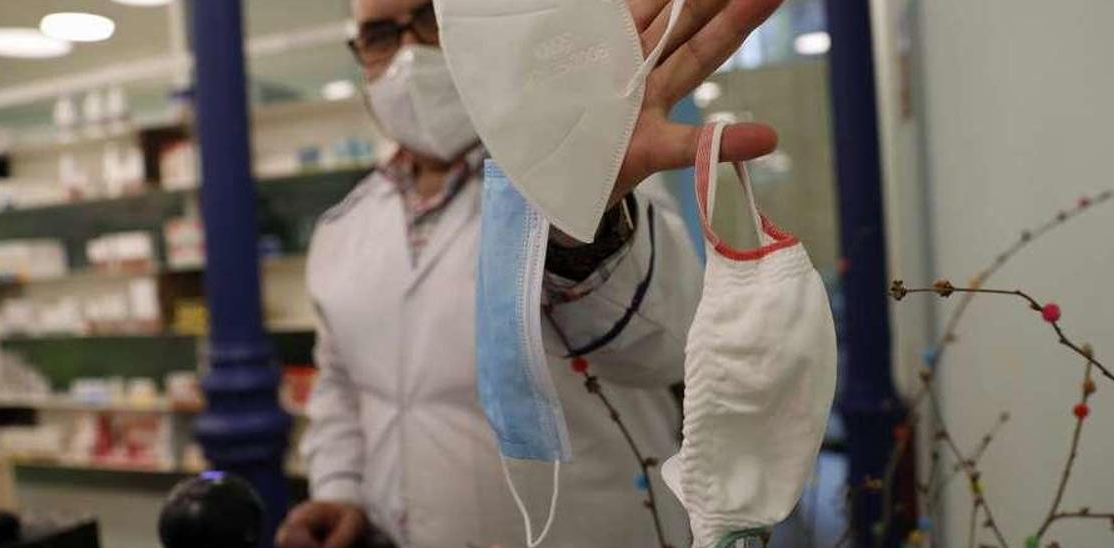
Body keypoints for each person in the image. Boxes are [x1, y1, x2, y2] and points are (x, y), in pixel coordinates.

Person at [276, 0, 783, 546]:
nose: (409, 55)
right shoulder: (343, 226)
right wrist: (340, 490)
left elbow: (663, 347)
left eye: (430, 19)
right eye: (379, 35)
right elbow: (342, 386)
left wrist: (584, 219)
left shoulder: (580, 162)